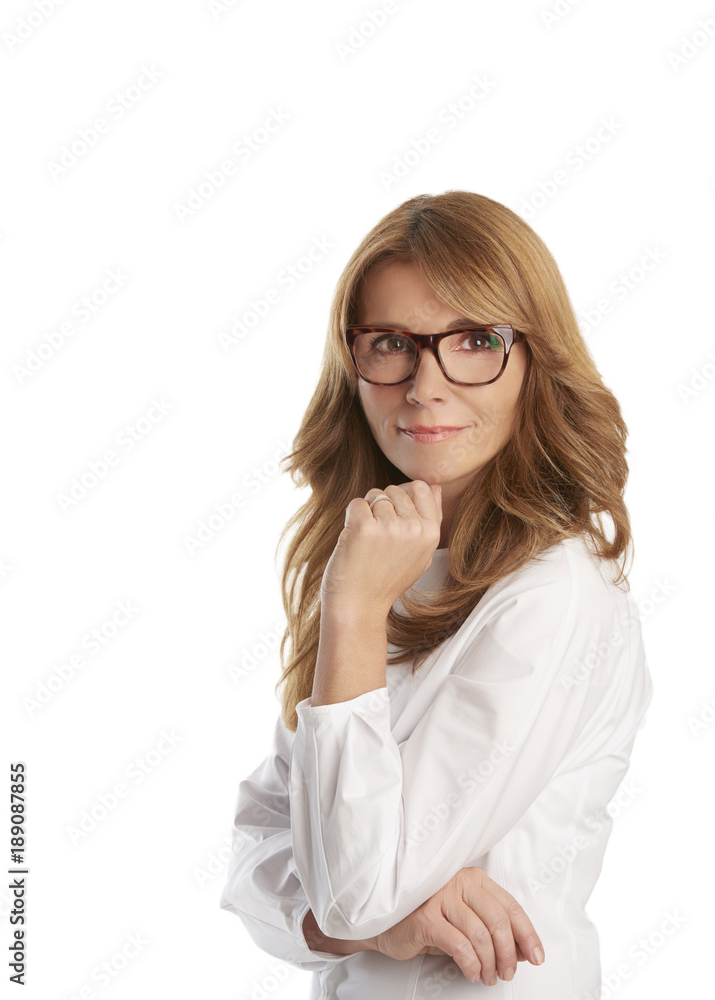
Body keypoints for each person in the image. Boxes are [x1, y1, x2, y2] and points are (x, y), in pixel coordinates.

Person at [219, 190, 653, 999]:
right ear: (353, 361)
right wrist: (373, 920)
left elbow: (349, 887)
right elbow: (254, 857)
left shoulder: (551, 595)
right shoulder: (380, 563)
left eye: (476, 341)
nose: (425, 384)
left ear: (534, 361)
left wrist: (350, 611)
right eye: (391, 344)